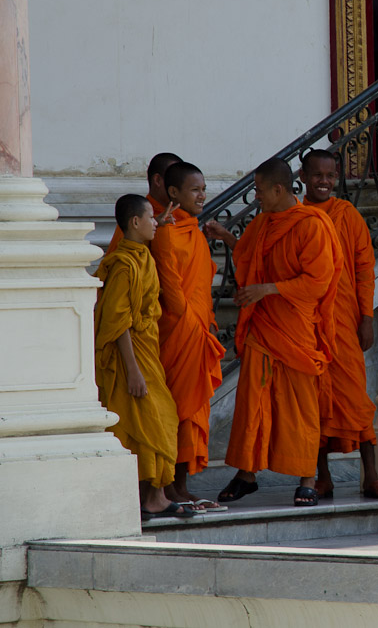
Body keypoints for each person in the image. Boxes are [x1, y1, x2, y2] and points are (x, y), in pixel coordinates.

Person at [218, 157, 344, 507]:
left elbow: (317, 282)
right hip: (263, 327)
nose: (256, 197)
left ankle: (307, 477)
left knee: (300, 407)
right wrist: (227, 236)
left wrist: (268, 290)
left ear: (278, 189)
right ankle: (247, 474)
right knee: (252, 402)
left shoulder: (312, 225)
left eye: (259, 190)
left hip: (297, 330)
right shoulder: (262, 224)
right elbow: (247, 255)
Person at [299, 150, 378, 500]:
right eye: (317, 175)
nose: (323, 181)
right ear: (302, 176)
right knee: (315, 403)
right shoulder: (295, 217)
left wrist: (367, 317)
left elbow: (363, 269)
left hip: (343, 322)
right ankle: (321, 476)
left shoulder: (347, 215)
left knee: (356, 399)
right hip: (307, 324)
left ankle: (371, 475)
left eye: (330, 175)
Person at [94, 194, 195, 521]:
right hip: (132, 358)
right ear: (134, 223)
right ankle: (152, 497)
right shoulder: (124, 265)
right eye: (150, 217)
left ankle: (155, 497)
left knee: (157, 419)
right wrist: (133, 371)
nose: (156, 221)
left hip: (147, 350)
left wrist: (161, 223)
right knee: (154, 420)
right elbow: (117, 322)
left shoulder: (141, 255)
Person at [151, 161, 228, 512]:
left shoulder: (194, 230)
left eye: (203, 189)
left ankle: (182, 485)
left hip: (197, 328)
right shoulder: (166, 232)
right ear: (173, 193)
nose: (202, 195)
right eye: (194, 190)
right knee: (176, 411)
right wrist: (192, 320)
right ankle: (166, 485)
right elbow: (173, 293)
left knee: (193, 412)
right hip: (179, 329)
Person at [108, 151, 183, 253]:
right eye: (174, 179)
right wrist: (155, 225)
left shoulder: (183, 217)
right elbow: (121, 259)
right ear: (157, 180)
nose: (180, 186)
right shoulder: (137, 213)